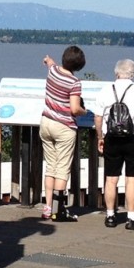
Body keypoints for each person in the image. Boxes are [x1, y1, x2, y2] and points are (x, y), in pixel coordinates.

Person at [95, 58, 134, 231]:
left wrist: (100, 137)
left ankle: (110, 216)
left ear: (116, 73)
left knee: (111, 179)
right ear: (133, 74)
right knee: (131, 180)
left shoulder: (106, 90)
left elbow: (98, 118)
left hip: (112, 138)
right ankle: (131, 218)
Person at [39, 46, 86, 222]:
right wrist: (84, 111)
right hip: (64, 127)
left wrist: (48, 60)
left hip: (46, 122)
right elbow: (74, 108)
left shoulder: (53, 72)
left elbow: (50, 64)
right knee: (62, 169)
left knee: (50, 166)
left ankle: (48, 207)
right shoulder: (74, 82)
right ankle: (58, 211)